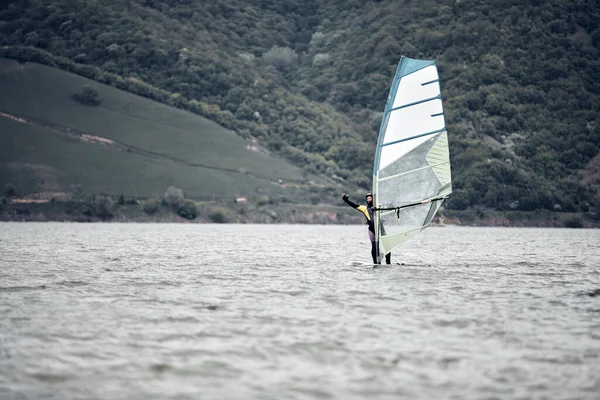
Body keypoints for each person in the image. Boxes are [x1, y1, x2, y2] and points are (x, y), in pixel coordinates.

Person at [341, 192, 391, 265]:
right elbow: (354, 205)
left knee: (387, 246)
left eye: (370, 198)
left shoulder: (378, 206)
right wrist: (346, 200)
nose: (369, 199)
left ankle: (388, 263)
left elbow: (388, 207)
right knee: (374, 246)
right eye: (367, 198)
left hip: (380, 228)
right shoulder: (364, 208)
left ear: (373, 199)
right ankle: (376, 263)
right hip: (372, 229)